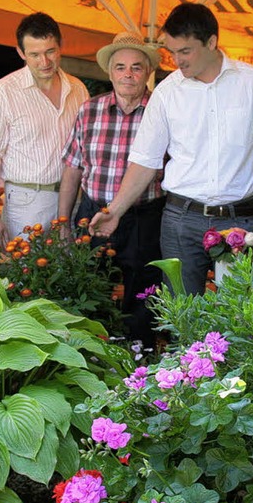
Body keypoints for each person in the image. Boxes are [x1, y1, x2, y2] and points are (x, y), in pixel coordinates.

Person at [89, 3, 253, 295]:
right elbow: (144, 161)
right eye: (172, 52)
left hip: (237, 220)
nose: (176, 60)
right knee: (183, 316)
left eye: (185, 51)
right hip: (181, 220)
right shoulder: (167, 92)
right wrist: (115, 211)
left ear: (212, 42)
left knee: (239, 318)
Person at [58, 32, 165, 347]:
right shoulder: (89, 110)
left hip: (145, 216)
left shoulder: (162, 112)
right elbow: (73, 167)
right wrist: (63, 220)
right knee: (90, 286)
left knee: (144, 292)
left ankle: (138, 357)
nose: (128, 75)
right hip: (94, 211)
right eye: (120, 67)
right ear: (110, 72)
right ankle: (93, 353)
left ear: (147, 72)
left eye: (136, 67)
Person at [0, 12, 89, 246]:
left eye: (50, 52)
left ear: (61, 46)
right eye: (34, 55)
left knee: (67, 278)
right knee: (25, 277)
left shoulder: (78, 89)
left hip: (73, 200)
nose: (44, 62)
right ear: (20, 53)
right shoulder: (4, 90)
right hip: (25, 202)